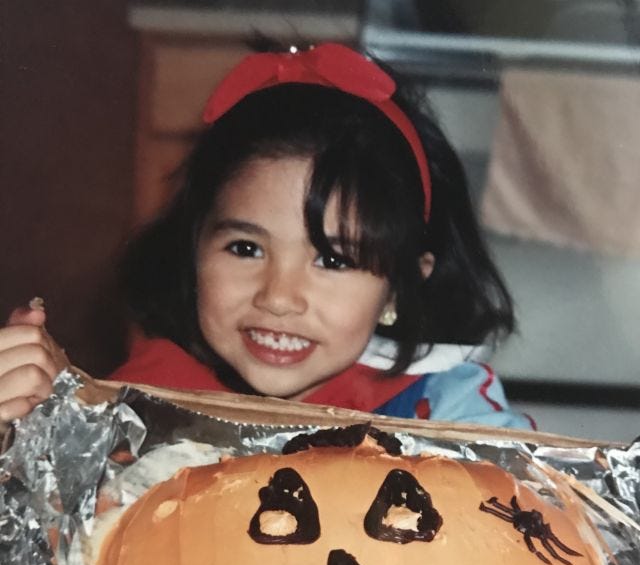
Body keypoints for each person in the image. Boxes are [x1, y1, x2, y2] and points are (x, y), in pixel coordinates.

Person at [0, 42, 533, 429]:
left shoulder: (444, 409)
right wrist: (39, 423)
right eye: (246, 248)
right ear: (192, 248)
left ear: (399, 284)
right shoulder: (142, 400)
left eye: (332, 259)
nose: (277, 297)